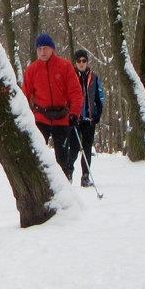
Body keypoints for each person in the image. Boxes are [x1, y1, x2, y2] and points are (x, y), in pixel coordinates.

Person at [22, 33, 82, 180]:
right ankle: (39, 182)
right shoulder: (32, 70)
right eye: (40, 49)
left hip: (61, 118)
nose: (42, 52)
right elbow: (24, 95)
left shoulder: (65, 66)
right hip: (41, 117)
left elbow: (75, 92)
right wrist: (25, 116)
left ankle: (65, 183)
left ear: (52, 49)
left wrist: (74, 113)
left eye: (45, 48)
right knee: (37, 154)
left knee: (62, 157)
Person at [68, 48, 104, 187]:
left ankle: (85, 176)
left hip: (89, 119)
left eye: (84, 60)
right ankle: (69, 172)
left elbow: (99, 97)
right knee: (74, 147)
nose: (82, 63)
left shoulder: (94, 77)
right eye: (79, 61)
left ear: (87, 62)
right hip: (74, 119)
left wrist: (98, 114)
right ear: (75, 62)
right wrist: (70, 115)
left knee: (87, 148)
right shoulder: (70, 76)